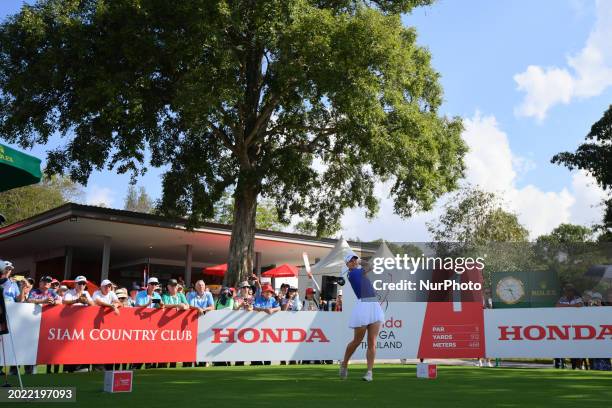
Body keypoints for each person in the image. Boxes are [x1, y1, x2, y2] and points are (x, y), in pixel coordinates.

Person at [340, 254, 384, 382]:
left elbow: (370, 267)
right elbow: (371, 265)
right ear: (347, 264)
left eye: (354, 259)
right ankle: (344, 363)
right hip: (363, 306)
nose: (353, 262)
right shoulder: (353, 273)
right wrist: (360, 261)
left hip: (374, 305)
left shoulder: (360, 272)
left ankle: (369, 372)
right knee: (357, 341)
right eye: (351, 261)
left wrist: (360, 261)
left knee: (372, 342)